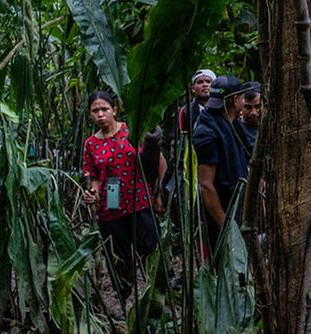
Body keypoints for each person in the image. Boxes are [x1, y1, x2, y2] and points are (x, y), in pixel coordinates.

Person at [81, 91, 161, 297]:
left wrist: (159, 192)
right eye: (95, 110)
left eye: (104, 109)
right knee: (119, 261)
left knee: (152, 250)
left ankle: (156, 299)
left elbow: (156, 160)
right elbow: (93, 177)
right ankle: (125, 307)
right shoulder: (90, 144)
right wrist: (92, 193)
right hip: (111, 210)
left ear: (114, 109)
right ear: (90, 114)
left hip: (140, 202)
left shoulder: (132, 130)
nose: (100, 114)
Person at [193, 75, 250, 253]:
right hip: (220, 216)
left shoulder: (233, 125)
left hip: (237, 208)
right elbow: (206, 185)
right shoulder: (206, 132)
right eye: (242, 97)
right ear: (235, 100)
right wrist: (225, 224)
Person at [178, 69, 215, 133]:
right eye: (200, 82)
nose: (205, 85)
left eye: (208, 82)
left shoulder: (225, 108)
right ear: (193, 89)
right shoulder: (185, 111)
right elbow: (175, 138)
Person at [236, 81, 262, 157]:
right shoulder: (235, 130)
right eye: (248, 107)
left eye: (257, 107)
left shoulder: (274, 128)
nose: (253, 113)